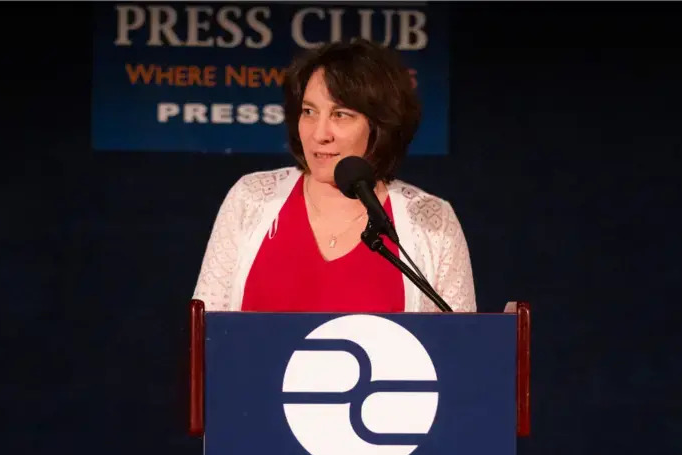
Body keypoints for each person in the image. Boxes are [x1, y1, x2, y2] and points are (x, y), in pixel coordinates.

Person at [192, 39, 476, 313]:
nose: (319, 134)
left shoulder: (429, 220)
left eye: (340, 115)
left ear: (379, 126)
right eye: (309, 112)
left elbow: (461, 346)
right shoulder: (251, 198)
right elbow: (204, 335)